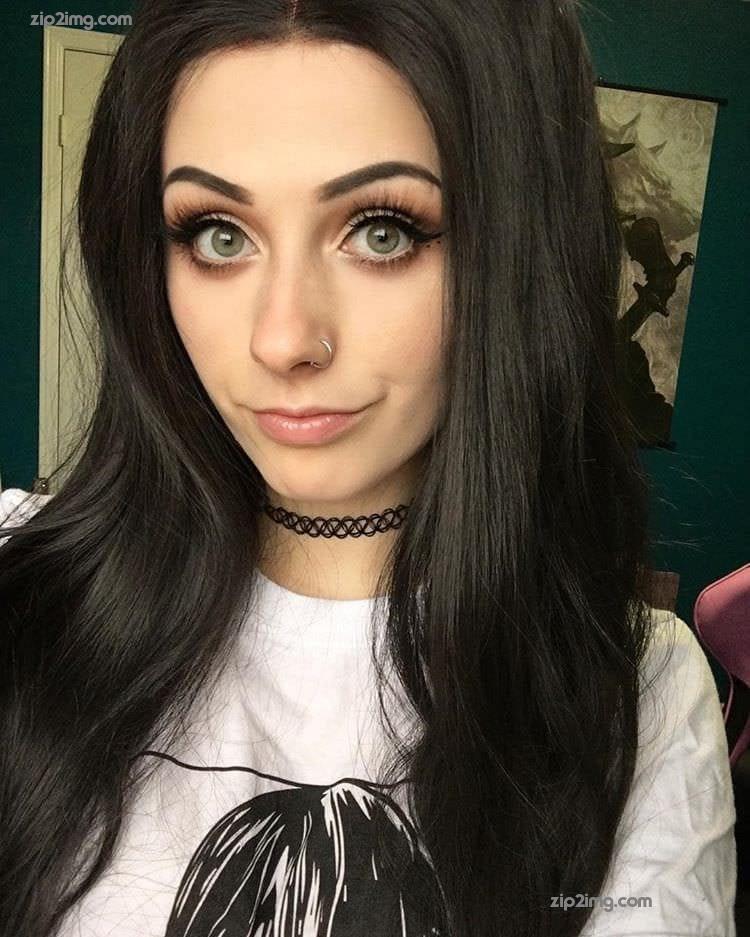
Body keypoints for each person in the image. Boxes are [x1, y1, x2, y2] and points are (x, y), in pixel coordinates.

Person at [0, 1, 736, 935]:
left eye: (383, 231)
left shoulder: (636, 691)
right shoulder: (23, 589)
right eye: (218, 234)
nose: (283, 340)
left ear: (517, 256)